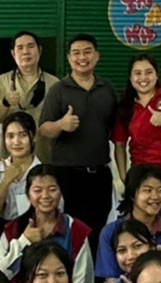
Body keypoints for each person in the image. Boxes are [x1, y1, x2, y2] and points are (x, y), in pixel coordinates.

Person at [40, 33, 122, 229]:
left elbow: (118, 130)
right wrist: (61, 125)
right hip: (67, 175)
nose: (82, 57)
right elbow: (44, 128)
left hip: (100, 173)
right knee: (70, 230)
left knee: (98, 228)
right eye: (76, 53)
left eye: (87, 52)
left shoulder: (107, 89)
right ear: (69, 58)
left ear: (97, 56)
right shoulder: (58, 89)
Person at [0, 165, 96, 283]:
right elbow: (1, 274)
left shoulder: (76, 230)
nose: (45, 196)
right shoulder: (14, 229)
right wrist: (24, 241)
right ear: (28, 194)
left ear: (61, 192)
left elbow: (82, 281)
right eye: (37, 190)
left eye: (52, 189)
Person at [96, 162, 161, 283]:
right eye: (148, 190)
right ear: (132, 195)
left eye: (160, 190)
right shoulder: (110, 232)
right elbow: (111, 280)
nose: (155, 196)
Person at [0, 29, 56, 164]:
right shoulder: (2, 82)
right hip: (8, 161)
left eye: (30, 46)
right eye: (20, 48)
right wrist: (5, 103)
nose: (25, 52)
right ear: (13, 53)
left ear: (40, 50)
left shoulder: (54, 84)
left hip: (43, 159)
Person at [118, 55, 161, 176]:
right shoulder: (125, 106)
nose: (143, 78)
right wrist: (124, 178)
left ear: (157, 75)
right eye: (137, 73)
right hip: (140, 175)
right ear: (130, 78)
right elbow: (120, 144)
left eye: (149, 72)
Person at [0, 113, 42, 224]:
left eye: (23, 135)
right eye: (10, 136)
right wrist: (5, 182)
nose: (16, 142)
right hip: (1, 230)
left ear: (34, 136)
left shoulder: (44, 173)